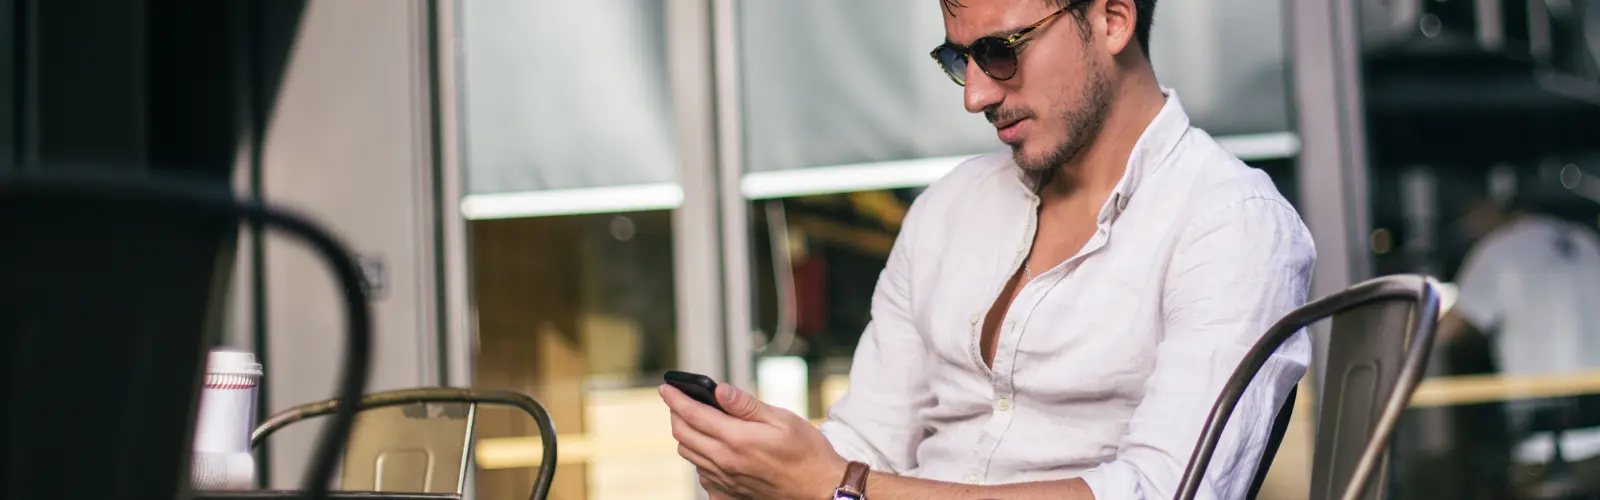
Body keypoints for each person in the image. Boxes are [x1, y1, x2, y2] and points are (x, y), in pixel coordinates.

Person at [658, 0, 1315, 498]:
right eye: (957, 60)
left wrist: (842, 485)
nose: (976, 94)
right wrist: (761, 472)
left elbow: (1164, 490)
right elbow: (864, 444)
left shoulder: (1231, 225)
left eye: (1002, 51)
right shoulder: (949, 211)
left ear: (1112, 18)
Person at [1439, 193, 1600, 464]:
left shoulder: (1500, 249)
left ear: (1490, 208)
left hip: (1543, 440)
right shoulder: (1583, 240)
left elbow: (1448, 331)